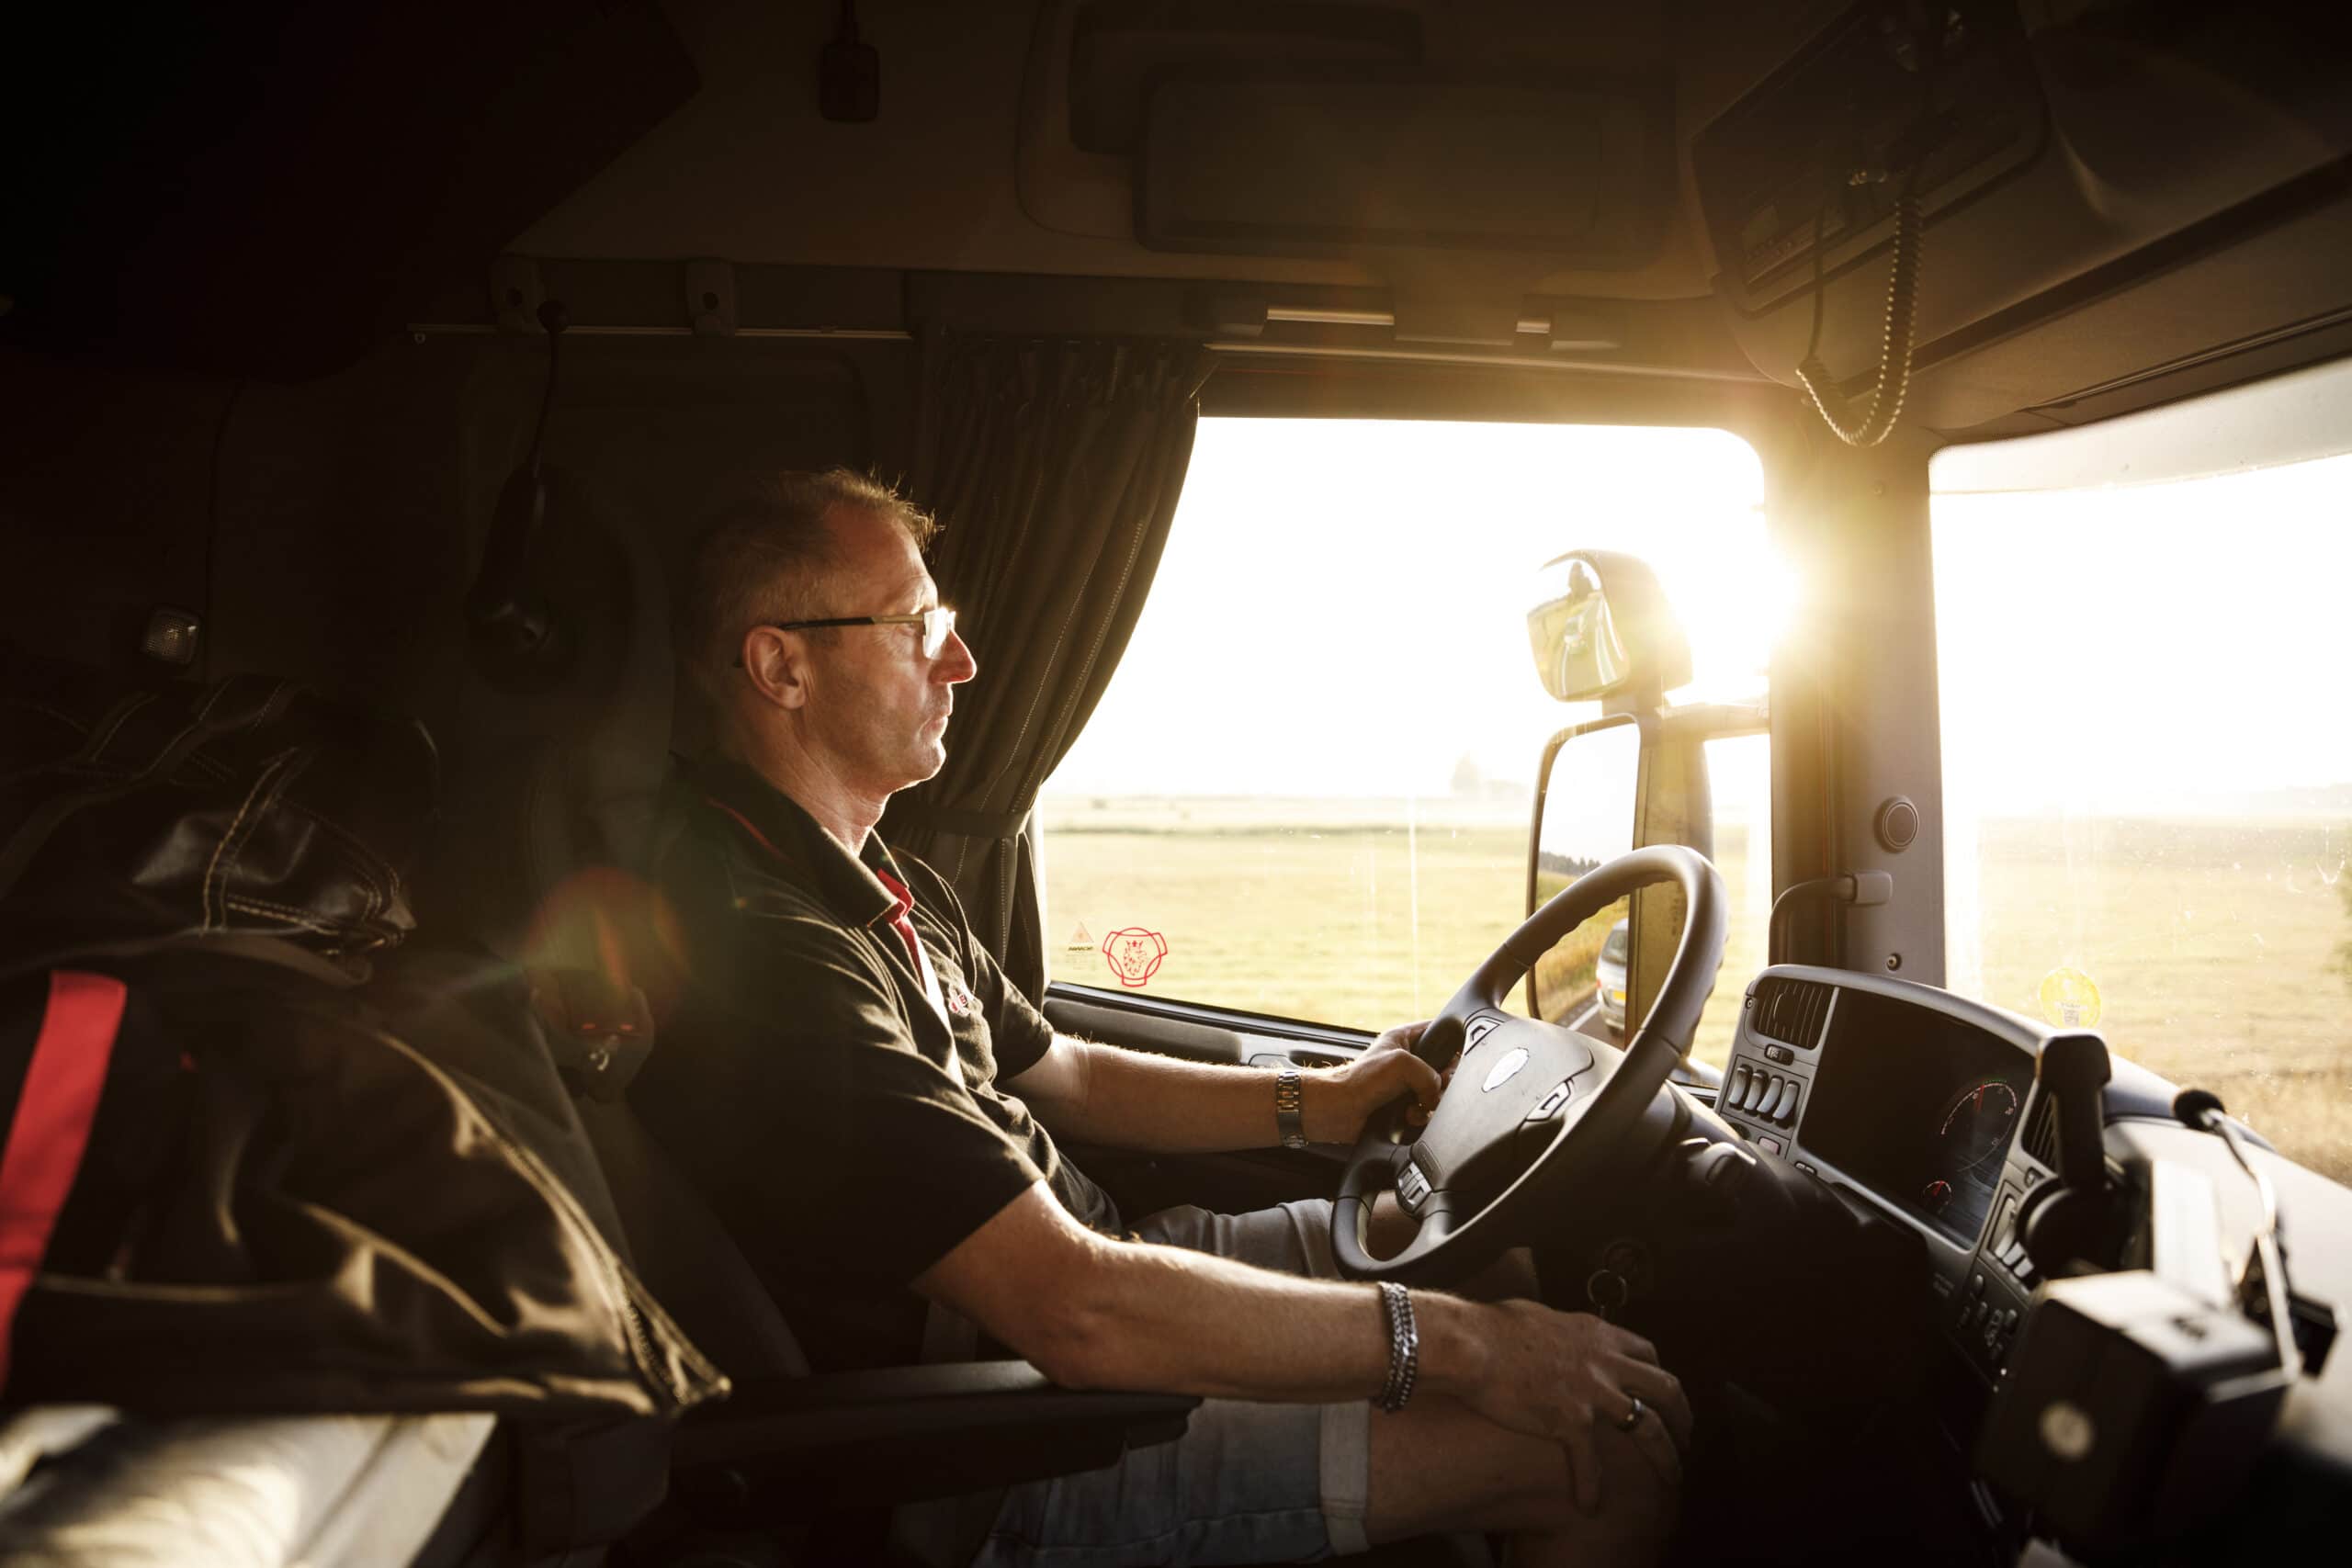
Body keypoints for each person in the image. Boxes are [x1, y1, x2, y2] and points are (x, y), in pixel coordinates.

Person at [634, 468, 1692, 1566]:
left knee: (1487, 1265)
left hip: (1095, 1277)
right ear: (782, 667)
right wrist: (1468, 1353)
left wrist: (1319, 1104)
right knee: (1606, 1452)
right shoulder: (765, 953)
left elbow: (1072, 1079)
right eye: (915, 626)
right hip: (996, 1442)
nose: (960, 659)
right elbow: (1076, 1310)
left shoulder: (871, 879)